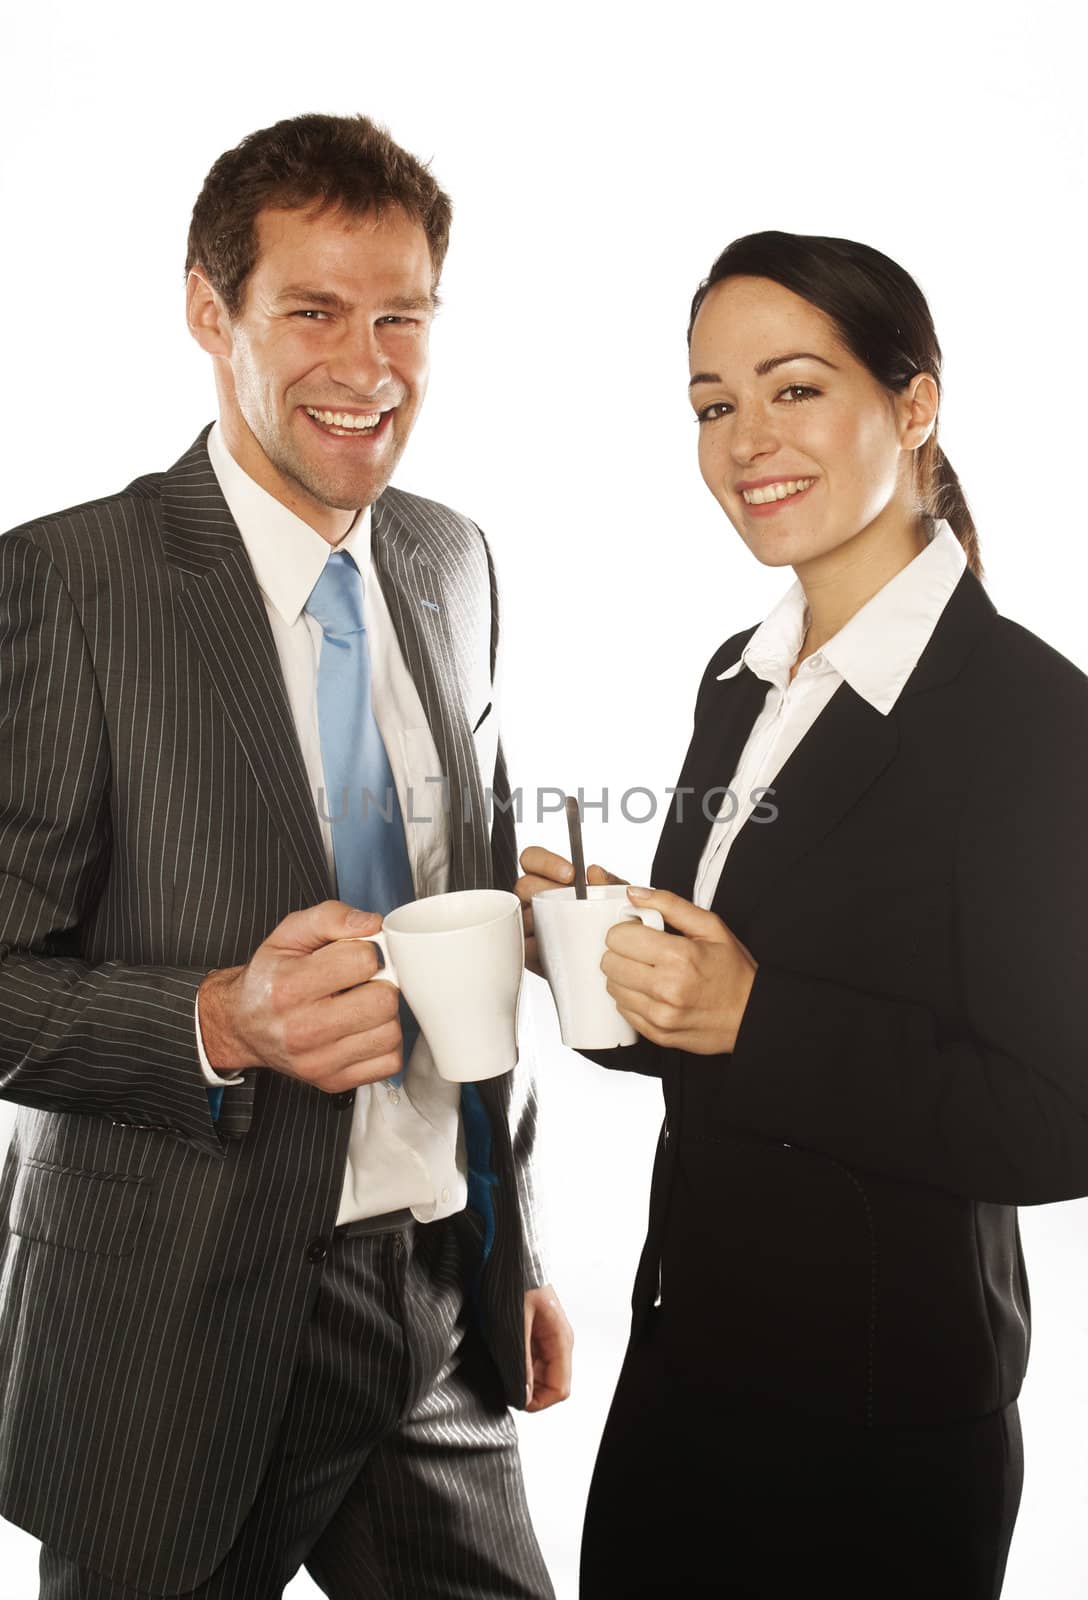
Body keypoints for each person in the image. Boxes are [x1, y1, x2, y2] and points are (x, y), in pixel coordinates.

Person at [0, 112, 571, 1599]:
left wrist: (523, 1250)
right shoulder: (69, 584)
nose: (366, 364)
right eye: (312, 310)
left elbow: (472, 931)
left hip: (438, 1301)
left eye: (401, 317)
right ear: (211, 309)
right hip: (177, 1338)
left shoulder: (452, 561)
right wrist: (217, 1022)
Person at [517, 230, 1088, 1599]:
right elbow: (710, 1017)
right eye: (714, 404)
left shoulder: (1026, 717)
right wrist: (593, 959)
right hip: (686, 1376)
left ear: (914, 402)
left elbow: (1061, 1116)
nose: (745, 440)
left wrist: (753, 1014)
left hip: (875, 1437)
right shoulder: (741, 677)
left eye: (794, 388)